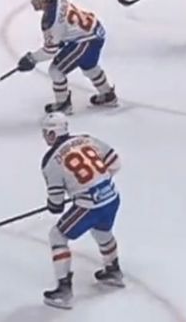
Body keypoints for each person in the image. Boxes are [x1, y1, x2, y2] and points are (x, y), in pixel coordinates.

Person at [38, 113, 123, 310]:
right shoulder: (86, 139)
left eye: (46, 133)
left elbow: (56, 204)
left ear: (52, 134)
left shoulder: (50, 162)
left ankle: (64, 290)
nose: (44, 137)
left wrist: (54, 204)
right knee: (102, 231)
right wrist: (98, 183)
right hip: (112, 197)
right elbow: (115, 163)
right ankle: (113, 270)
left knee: (57, 236)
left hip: (89, 206)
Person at [17, 0, 116, 113]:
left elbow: (50, 51)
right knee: (89, 66)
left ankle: (63, 104)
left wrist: (32, 58)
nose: (32, 2)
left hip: (86, 40)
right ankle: (108, 95)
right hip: (95, 31)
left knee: (56, 70)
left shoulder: (51, 20)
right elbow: (66, 26)